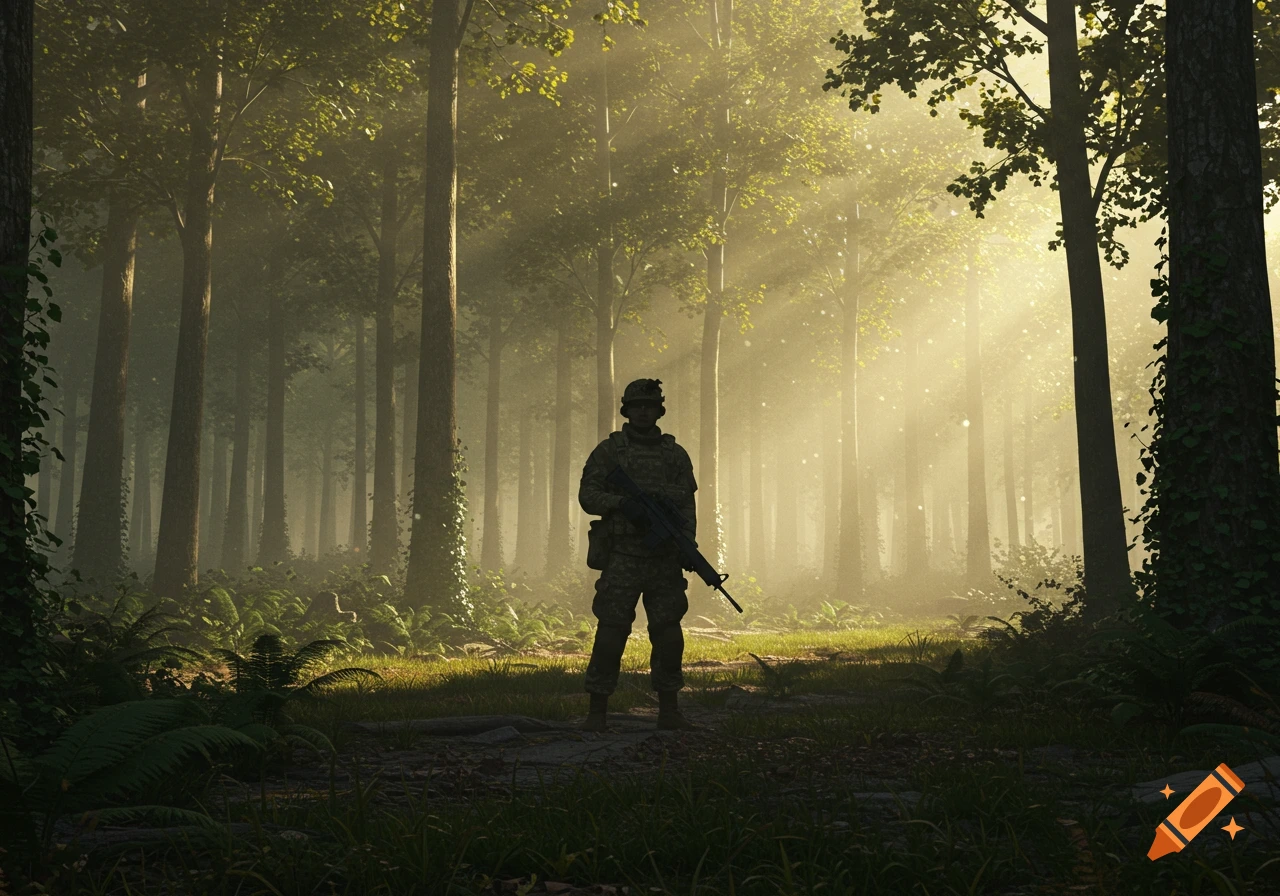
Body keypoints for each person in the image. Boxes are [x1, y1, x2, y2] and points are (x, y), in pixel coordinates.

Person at [577, 378, 698, 732]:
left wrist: (686, 546)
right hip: (623, 557)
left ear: (659, 410)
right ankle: (597, 712)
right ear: (626, 410)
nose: (643, 411)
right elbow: (588, 496)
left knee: (669, 634)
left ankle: (670, 711)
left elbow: (687, 508)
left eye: (649, 406)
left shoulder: (676, 455)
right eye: (636, 406)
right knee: (611, 634)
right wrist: (622, 504)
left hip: (663, 559)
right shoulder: (610, 452)